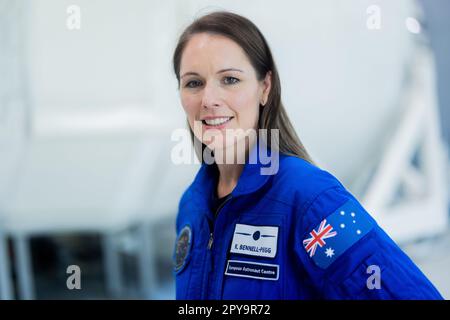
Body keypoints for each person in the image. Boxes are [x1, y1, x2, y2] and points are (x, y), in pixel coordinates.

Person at [171, 10, 443, 299]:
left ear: (265, 87)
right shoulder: (192, 205)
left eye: (229, 80)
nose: (209, 100)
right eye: (194, 83)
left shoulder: (311, 197)